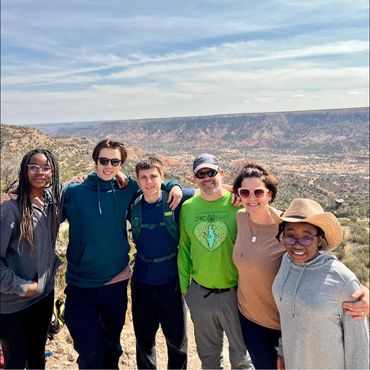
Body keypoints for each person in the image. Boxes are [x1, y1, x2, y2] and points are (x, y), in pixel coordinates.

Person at [232, 162, 370, 369]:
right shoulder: (242, 218)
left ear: (270, 194)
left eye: (258, 192)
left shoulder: (286, 230)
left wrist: (360, 290)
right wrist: (176, 187)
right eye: (245, 192)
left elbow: (323, 267)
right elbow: (210, 187)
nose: (252, 198)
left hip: (282, 326)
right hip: (249, 319)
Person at [62, 140, 182, 369]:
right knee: (89, 352)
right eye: (103, 160)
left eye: (114, 161)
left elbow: (154, 184)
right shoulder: (74, 192)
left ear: (121, 164)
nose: (109, 166)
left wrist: (174, 184)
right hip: (81, 284)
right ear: (95, 161)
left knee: (112, 347)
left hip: (116, 281)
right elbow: (42, 200)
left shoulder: (127, 188)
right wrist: (13, 196)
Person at [271, 198, 369, 369]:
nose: (297, 244)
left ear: (320, 239)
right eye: (290, 236)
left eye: (307, 238)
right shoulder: (285, 262)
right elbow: (287, 315)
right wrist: (283, 350)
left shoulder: (343, 281)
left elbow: (359, 347)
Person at [178, 153, 253, 370]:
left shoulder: (238, 203)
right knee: (209, 357)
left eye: (210, 172)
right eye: (200, 174)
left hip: (237, 293)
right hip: (200, 293)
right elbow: (184, 248)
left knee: (242, 357)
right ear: (194, 179)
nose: (206, 178)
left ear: (221, 173)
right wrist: (185, 289)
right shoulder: (189, 207)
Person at [129, 157, 194, 369]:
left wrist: (175, 186)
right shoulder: (133, 204)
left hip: (171, 281)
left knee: (176, 341)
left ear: (162, 178)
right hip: (141, 282)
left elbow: (211, 192)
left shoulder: (176, 200)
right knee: (144, 340)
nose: (149, 182)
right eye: (144, 177)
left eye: (154, 177)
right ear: (137, 180)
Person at [0, 148, 62, 369]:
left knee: (37, 357)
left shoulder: (52, 201)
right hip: (13, 303)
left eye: (46, 168)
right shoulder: (10, 210)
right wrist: (22, 287)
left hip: (43, 297)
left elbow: (83, 182)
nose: (40, 172)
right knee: (15, 361)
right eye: (33, 166)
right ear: (24, 170)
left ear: (53, 173)